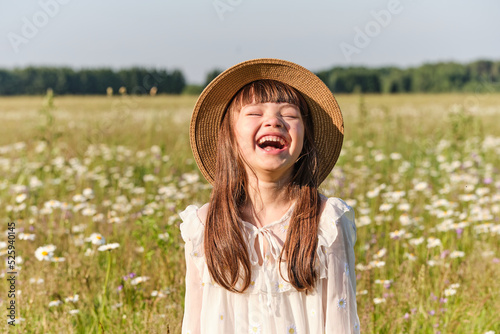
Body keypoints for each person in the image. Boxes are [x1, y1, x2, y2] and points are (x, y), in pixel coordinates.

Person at [179, 58, 360, 333]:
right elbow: (193, 321)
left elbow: (340, 319)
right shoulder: (204, 225)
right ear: (230, 136)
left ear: (305, 139)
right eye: (254, 114)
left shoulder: (326, 223)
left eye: (289, 115)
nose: (273, 122)